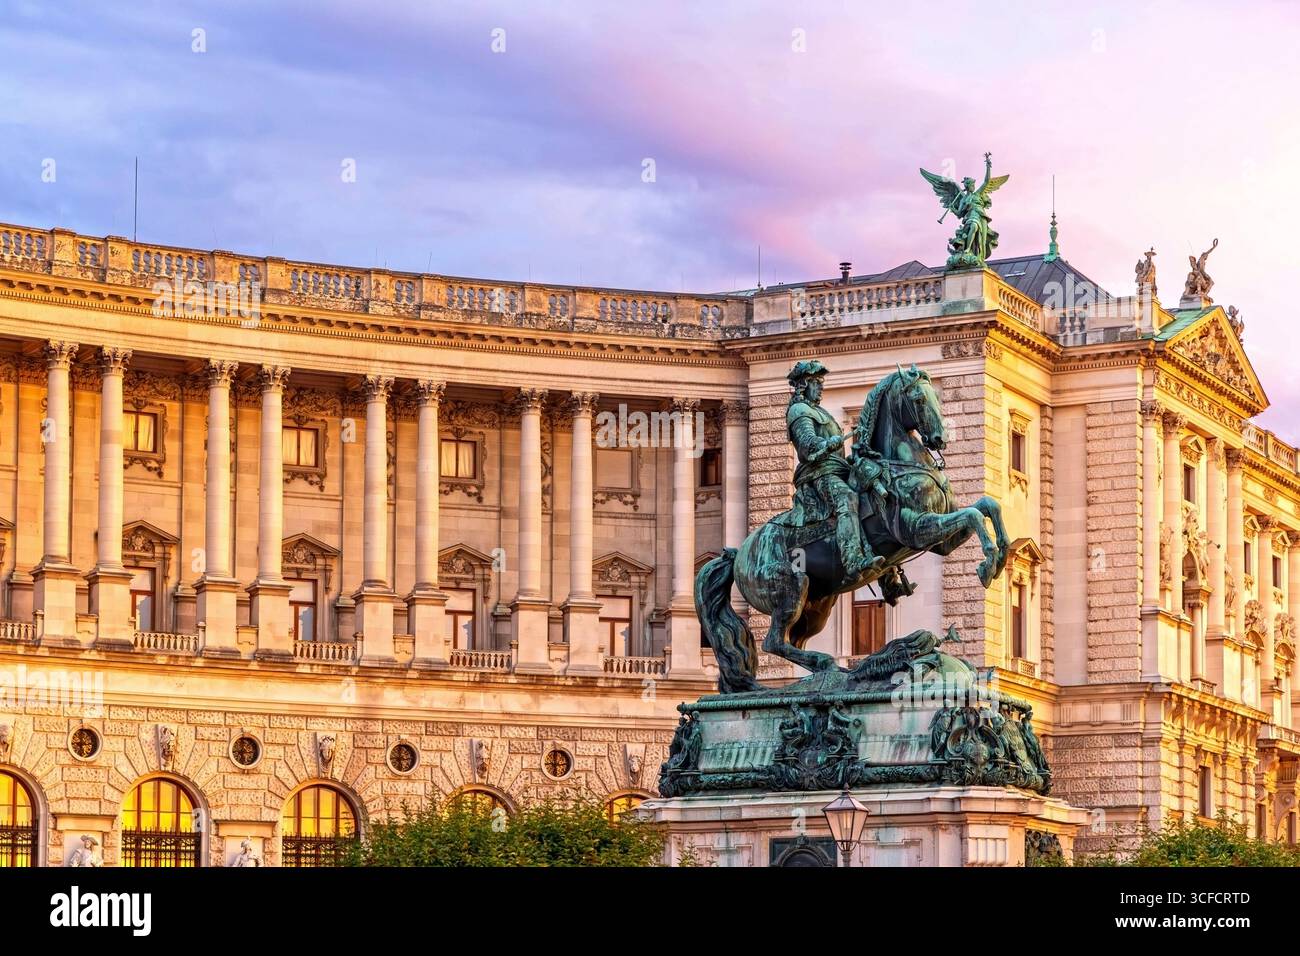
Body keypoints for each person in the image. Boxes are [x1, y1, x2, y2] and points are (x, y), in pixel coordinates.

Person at [785, 360, 883, 579]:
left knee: (876, 494)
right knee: (847, 498)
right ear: (803, 385)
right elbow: (807, 444)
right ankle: (852, 560)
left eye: (821, 381)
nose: (821, 386)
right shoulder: (799, 410)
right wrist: (826, 444)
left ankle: (890, 576)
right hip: (819, 473)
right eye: (816, 382)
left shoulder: (820, 412)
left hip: (837, 469)